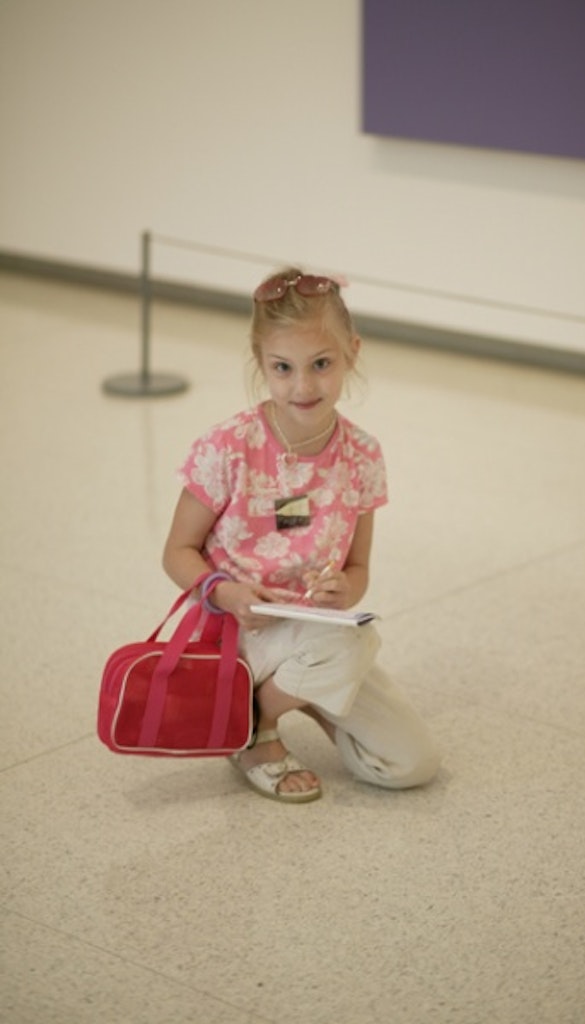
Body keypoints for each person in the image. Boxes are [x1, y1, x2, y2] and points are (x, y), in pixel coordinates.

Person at [162, 267, 440, 803]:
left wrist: (346, 590)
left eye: (321, 364)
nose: (304, 386)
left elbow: (358, 569)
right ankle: (255, 727)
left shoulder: (363, 455)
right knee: (353, 643)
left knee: (411, 762)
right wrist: (227, 593)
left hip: (319, 633)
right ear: (260, 361)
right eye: (283, 368)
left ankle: (297, 690)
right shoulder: (227, 447)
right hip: (239, 633)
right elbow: (177, 552)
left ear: (352, 352)